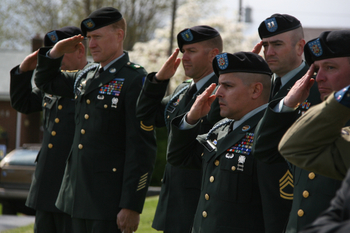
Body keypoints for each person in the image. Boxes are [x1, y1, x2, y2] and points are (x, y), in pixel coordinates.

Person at [33, 7, 157, 233]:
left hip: (108, 203)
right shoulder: (86, 76)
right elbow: (45, 81)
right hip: (76, 200)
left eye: (97, 37)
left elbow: (141, 149)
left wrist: (131, 205)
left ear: (119, 35)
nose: (92, 45)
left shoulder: (134, 79)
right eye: (89, 38)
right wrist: (56, 51)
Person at [166, 51, 287, 232]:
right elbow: (179, 157)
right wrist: (191, 119)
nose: (218, 93)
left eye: (227, 86)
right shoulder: (220, 128)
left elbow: (276, 215)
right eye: (219, 85)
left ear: (256, 90)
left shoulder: (271, 135)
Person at [251, 14, 343, 233]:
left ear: (300, 46)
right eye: (265, 45)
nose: (269, 52)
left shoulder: (315, 90)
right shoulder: (262, 85)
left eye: (277, 44)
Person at [136, 25, 222, 232]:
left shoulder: (222, 92)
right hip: (173, 203)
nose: (184, 57)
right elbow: (146, 115)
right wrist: (158, 80)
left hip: (199, 204)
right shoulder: (183, 89)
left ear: (213, 55)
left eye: (192, 51)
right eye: (183, 51)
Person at [9, 26, 87, 233]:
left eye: (60, 52)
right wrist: (23, 70)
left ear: (80, 50)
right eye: (51, 53)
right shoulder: (51, 85)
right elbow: (23, 103)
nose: (55, 59)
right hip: (47, 184)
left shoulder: (93, 83)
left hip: (75, 187)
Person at [278, 30, 350, 181]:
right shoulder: (320, 115)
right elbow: (265, 151)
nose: (319, 78)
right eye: (317, 70)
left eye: (330, 67)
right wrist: (288, 105)